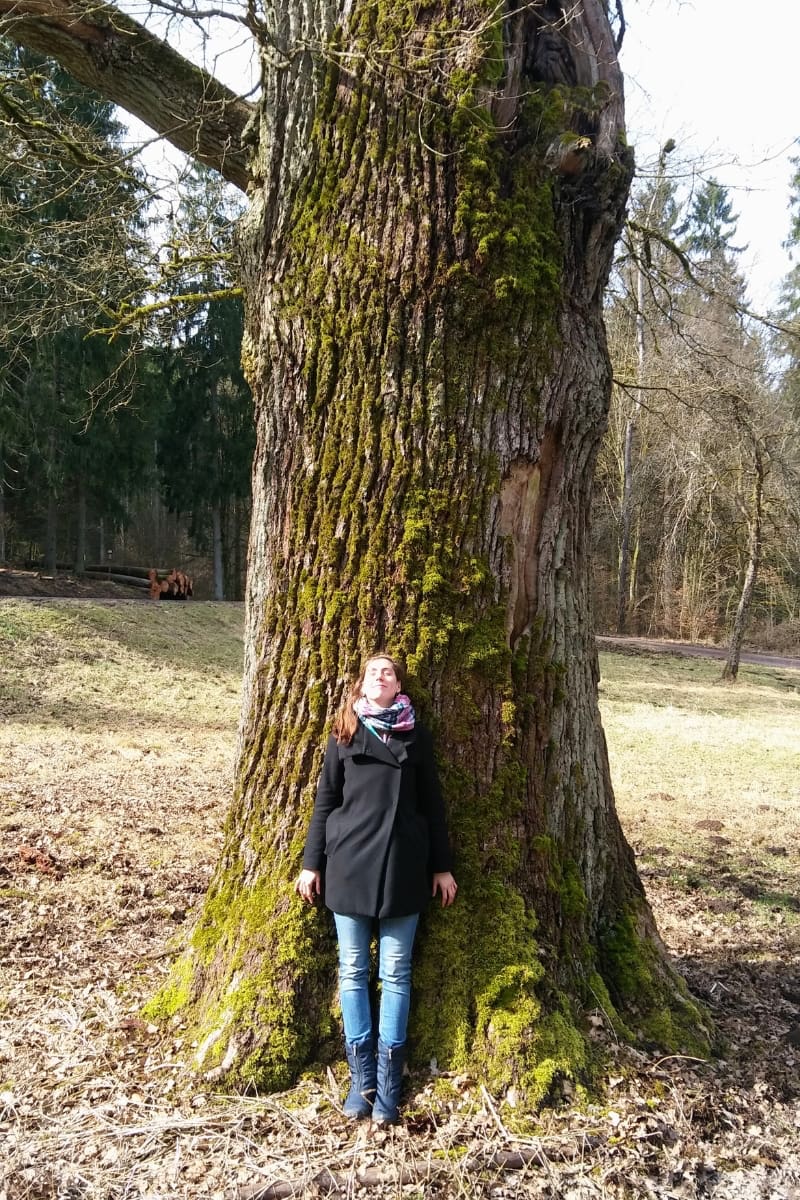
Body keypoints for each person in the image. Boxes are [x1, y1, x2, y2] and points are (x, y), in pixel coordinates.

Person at [296, 653, 457, 1124]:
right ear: (361, 684)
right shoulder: (344, 732)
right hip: (347, 865)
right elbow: (325, 801)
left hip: (405, 866)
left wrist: (441, 867)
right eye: (372, 672)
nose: (380, 677)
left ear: (399, 684)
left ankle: (389, 1084)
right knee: (352, 970)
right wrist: (311, 863)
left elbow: (433, 806)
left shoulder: (416, 735)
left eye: (388, 672)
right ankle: (360, 1080)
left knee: (396, 973)